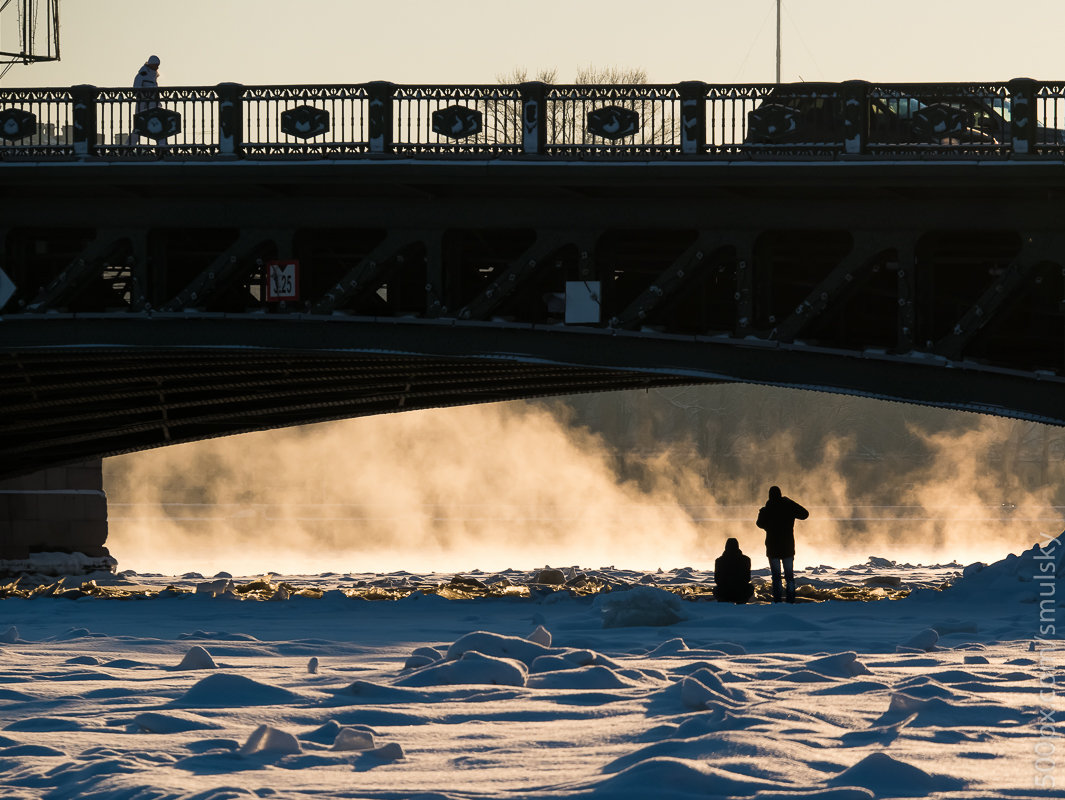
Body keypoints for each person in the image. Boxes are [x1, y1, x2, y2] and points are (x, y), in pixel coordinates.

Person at [756, 486, 809, 603]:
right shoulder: (788, 507)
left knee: (776, 577)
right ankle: (790, 599)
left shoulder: (767, 509)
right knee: (789, 576)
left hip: (773, 548)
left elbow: (759, 523)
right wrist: (790, 502)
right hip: (788, 547)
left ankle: (777, 600)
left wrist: (768, 525)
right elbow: (805, 514)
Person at [130, 55, 161, 145]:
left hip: (153, 106)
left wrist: (158, 103)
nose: (157, 67)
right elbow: (136, 90)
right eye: (156, 65)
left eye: (158, 65)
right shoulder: (141, 76)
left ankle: (162, 147)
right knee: (139, 128)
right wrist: (146, 96)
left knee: (157, 127)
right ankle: (128, 148)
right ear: (151, 64)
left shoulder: (153, 76)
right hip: (143, 106)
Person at [713, 537, 753, 604]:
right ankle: (741, 602)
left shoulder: (719, 560)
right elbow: (747, 578)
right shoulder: (746, 559)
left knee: (715, 589)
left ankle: (723, 602)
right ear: (737, 546)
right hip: (741, 593)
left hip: (724, 593)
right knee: (750, 587)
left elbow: (717, 579)